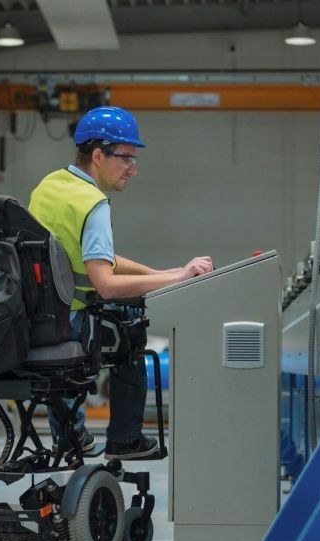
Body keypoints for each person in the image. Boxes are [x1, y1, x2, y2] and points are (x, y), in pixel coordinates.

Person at [28, 106, 212, 459]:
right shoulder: (93, 203)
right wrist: (177, 277)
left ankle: (70, 433)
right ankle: (125, 439)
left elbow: (95, 258)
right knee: (129, 325)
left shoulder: (50, 187)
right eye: (125, 157)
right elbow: (106, 284)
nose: (133, 168)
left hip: (36, 321)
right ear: (98, 155)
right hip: (71, 324)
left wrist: (167, 273)